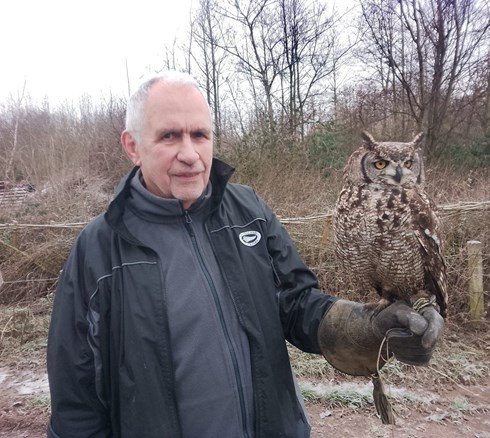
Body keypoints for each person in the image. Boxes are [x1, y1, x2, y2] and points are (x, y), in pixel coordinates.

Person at [46, 71, 444, 438]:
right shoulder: (98, 249)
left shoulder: (248, 212)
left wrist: (369, 327)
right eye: (169, 136)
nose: (190, 153)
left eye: (200, 134)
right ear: (132, 146)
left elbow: (296, 302)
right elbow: (76, 396)